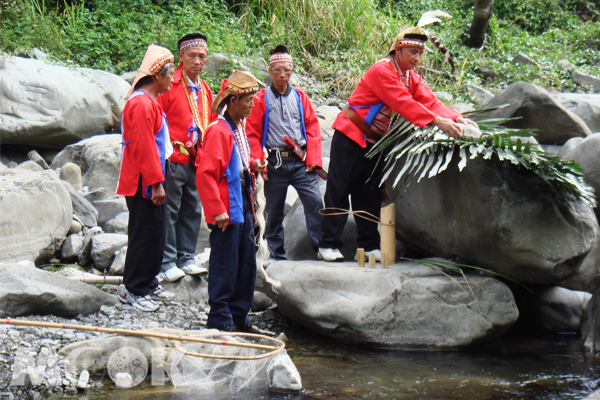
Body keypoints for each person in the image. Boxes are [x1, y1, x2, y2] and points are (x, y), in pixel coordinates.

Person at [318, 27, 478, 262]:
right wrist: (437, 122)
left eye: (420, 54)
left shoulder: (411, 78)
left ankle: (367, 247)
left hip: (377, 142)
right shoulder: (381, 70)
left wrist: (456, 117)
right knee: (339, 190)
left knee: (370, 194)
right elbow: (401, 102)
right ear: (398, 50)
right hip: (351, 134)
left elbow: (429, 100)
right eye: (413, 52)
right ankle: (327, 245)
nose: (417, 58)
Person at [196, 70, 267, 332]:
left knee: (246, 262)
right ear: (234, 100)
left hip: (243, 205)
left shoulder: (236, 128)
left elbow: (235, 164)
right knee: (225, 263)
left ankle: (239, 316)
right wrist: (217, 210)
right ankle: (220, 317)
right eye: (248, 100)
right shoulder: (218, 130)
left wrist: (254, 164)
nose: (252, 104)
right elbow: (206, 174)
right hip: (228, 209)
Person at [246, 45, 323, 260]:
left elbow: (312, 128)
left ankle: (321, 246)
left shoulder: (300, 97)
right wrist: (258, 161)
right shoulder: (260, 99)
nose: (282, 75)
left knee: (315, 201)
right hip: (274, 162)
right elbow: (252, 133)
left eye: (287, 70)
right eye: (278, 70)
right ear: (270, 71)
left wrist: (314, 158)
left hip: (300, 161)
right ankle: (275, 254)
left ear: (292, 71)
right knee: (272, 211)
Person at [116, 45, 177, 312]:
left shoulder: (148, 102)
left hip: (152, 174)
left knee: (156, 231)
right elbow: (143, 145)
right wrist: (155, 182)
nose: (173, 79)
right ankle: (133, 288)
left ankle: (148, 281)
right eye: (170, 74)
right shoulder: (141, 103)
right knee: (145, 232)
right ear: (157, 76)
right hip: (144, 179)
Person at [156, 33, 216, 282]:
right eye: (191, 55)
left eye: (202, 56)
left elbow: (211, 123)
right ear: (180, 56)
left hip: (198, 159)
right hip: (173, 158)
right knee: (170, 210)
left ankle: (187, 258)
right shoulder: (170, 84)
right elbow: (157, 121)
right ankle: (167, 261)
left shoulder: (204, 89)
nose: (197, 61)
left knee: (192, 209)